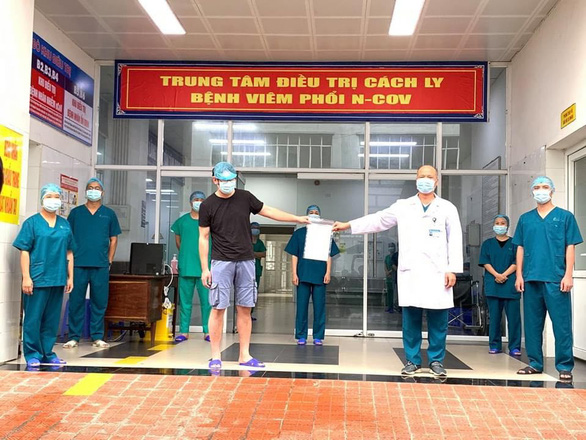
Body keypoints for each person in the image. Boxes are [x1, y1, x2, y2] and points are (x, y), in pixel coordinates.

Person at [333, 165, 462, 377]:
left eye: (430, 176)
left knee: (438, 320)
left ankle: (436, 361)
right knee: (410, 319)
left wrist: (452, 269)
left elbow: (455, 239)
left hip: (438, 273)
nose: (426, 180)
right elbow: (378, 220)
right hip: (411, 271)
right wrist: (348, 225)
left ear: (437, 181)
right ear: (416, 180)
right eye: (422, 176)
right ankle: (412, 360)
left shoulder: (447, 208)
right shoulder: (403, 206)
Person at [199, 162, 309, 371]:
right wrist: (205, 268)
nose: (229, 183)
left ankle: (244, 355)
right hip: (221, 262)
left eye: (232, 179)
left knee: (245, 308)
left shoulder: (245, 197)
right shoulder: (207, 205)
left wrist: (296, 218)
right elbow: (203, 238)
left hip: (246, 261)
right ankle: (215, 357)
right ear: (215, 180)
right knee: (218, 308)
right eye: (224, 180)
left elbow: (269, 211)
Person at [514, 176, 583, 382]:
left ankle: (564, 366)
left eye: (545, 187)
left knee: (561, 325)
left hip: (556, 279)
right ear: (532, 191)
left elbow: (570, 246)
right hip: (531, 278)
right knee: (532, 325)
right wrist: (519, 275)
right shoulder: (525, 219)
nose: (541, 190)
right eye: (537, 187)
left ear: (552, 191)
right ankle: (535, 363)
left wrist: (568, 274)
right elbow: (520, 247)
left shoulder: (565, 217)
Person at [13, 184, 75, 367]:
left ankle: (48, 353)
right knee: (33, 318)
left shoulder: (64, 224)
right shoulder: (32, 223)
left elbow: (69, 252)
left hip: (58, 277)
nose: (53, 200)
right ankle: (33, 354)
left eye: (56, 196)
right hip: (37, 278)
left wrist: (70, 277)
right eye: (49, 196)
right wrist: (26, 277)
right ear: (42, 199)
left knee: (51, 319)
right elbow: (24, 251)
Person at [63, 177, 121, 349]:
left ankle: (97, 336)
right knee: (76, 301)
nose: (93, 191)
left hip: (100, 265)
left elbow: (113, 239)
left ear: (102, 192)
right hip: (78, 264)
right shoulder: (76, 213)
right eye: (90, 187)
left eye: (97, 188)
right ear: (85, 191)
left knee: (99, 302)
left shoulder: (109, 214)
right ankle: (74, 337)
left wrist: (109, 260)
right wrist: (69, 263)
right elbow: (68, 239)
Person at [285, 205, 339, 346]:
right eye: (311, 212)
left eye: (316, 212)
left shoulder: (325, 234)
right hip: (303, 274)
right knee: (301, 307)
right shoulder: (299, 234)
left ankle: (318, 336)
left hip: (320, 274)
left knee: (319, 307)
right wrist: (294, 273)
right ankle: (301, 335)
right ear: (306, 216)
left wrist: (328, 272)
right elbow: (294, 255)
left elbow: (328, 255)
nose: (314, 214)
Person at [171, 190, 211, 343]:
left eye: (201, 199)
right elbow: (179, 242)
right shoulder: (182, 222)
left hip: (205, 269)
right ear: (190, 202)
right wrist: (186, 255)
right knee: (185, 303)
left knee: (207, 303)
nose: (198, 202)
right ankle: (184, 331)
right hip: (187, 267)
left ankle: (208, 331)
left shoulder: (210, 222)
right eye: (196, 199)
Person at [478, 214, 521, 355]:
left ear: (507, 226)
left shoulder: (515, 244)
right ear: (493, 225)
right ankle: (495, 345)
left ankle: (514, 346)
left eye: (503, 223)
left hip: (510, 285)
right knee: (495, 318)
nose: (500, 225)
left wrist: (504, 275)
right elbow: (485, 262)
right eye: (497, 223)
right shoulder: (487, 244)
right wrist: (497, 275)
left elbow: (517, 262)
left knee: (514, 319)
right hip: (493, 285)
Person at [250, 221, 266, 321]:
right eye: (253, 227)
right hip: (246, 271)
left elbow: (263, 254)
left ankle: (250, 313)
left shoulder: (260, 243)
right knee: (245, 293)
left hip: (256, 271)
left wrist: (252, 254)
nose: (255, 230)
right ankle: (243, 314)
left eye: (257, 228)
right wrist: (256, 254)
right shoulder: (245, 240)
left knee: (254, 293)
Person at [384, 242, 398, 313]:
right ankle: (389, 307)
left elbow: (395, 266)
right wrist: (387, 272)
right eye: (389, 246)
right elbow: (385, 265)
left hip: (394, 277)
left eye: (392, 246)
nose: (390, 248)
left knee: (394, 293)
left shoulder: (396, 256)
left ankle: (395, 307)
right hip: (388, 278)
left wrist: (389, 272)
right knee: (389, 293)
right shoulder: (387, 257)